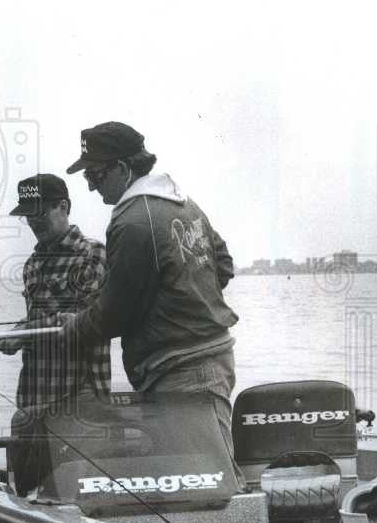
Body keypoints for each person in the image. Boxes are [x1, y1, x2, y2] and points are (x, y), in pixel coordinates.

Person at [61, 121, 242, 474]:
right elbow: (223, 264)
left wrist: (73, 327)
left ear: (124, 169)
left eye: (95, 176)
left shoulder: (132, 221)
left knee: (209, 478)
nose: (91, 187)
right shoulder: (185, 205)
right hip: (212, 358)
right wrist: (186, 300)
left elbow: (114, 314)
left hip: (181, 372)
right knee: (203, 472)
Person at [0, 173, 110, 494]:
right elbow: (40, 320)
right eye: (27, 215)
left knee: (72, 496)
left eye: (40, 212)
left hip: (78, 400)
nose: (33, 221)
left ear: (64, 207)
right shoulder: (32, 264)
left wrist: (24, 332)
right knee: (27, 495)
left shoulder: (92, 255)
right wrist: (16, 335)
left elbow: (88, 321)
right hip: (31, 400)